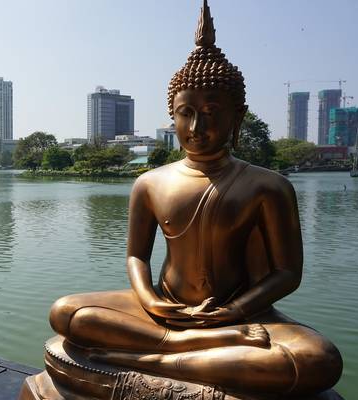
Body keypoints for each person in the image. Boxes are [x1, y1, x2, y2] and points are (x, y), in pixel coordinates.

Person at [47, 1, 342, 395]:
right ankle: (184, 347)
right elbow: (136, 256)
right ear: (173, 115)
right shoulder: (151, 182)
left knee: (318, 360)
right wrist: (151, 301)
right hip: (166, 308)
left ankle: (147, 360)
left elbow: (287, 273)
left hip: (242, 313)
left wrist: (233, 311)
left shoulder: (267, 186)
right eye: (185, 113)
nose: (197, 126)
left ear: (237, 117)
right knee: (66, 312)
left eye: (211, 112)